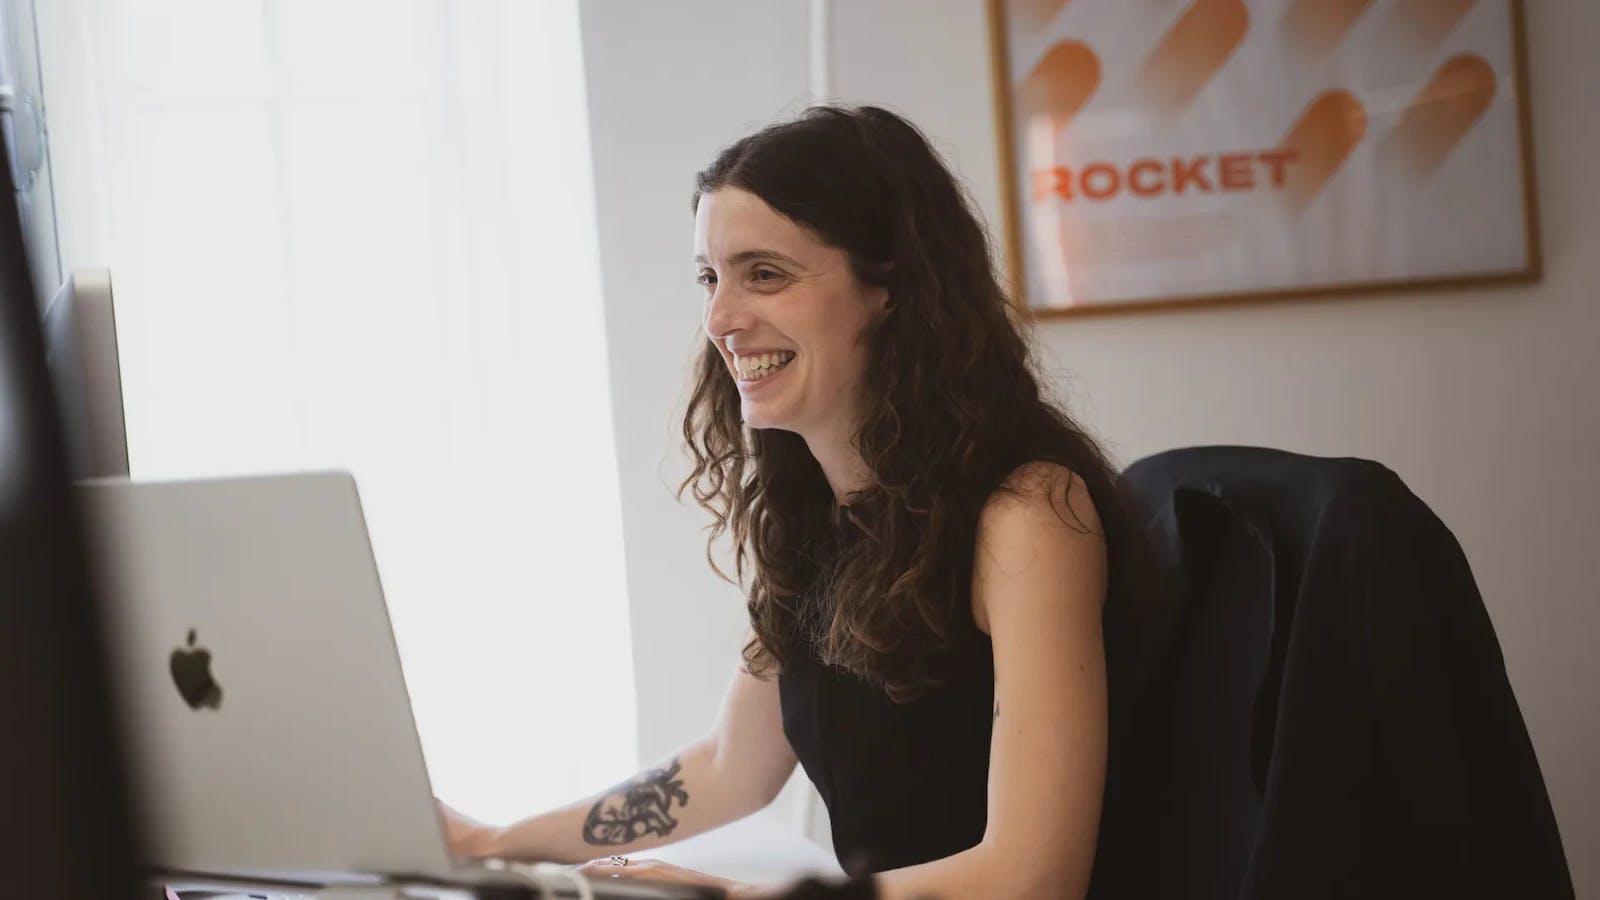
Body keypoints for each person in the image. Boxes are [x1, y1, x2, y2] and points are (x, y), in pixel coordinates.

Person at [439, 104, 1148, 900]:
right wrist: (488, 843)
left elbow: (1034, 877)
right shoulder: (819, 517)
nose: (720, 318)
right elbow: (727, 770)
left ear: (891, 286)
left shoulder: (1028, 514)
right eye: (711, 277)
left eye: (765, 274)